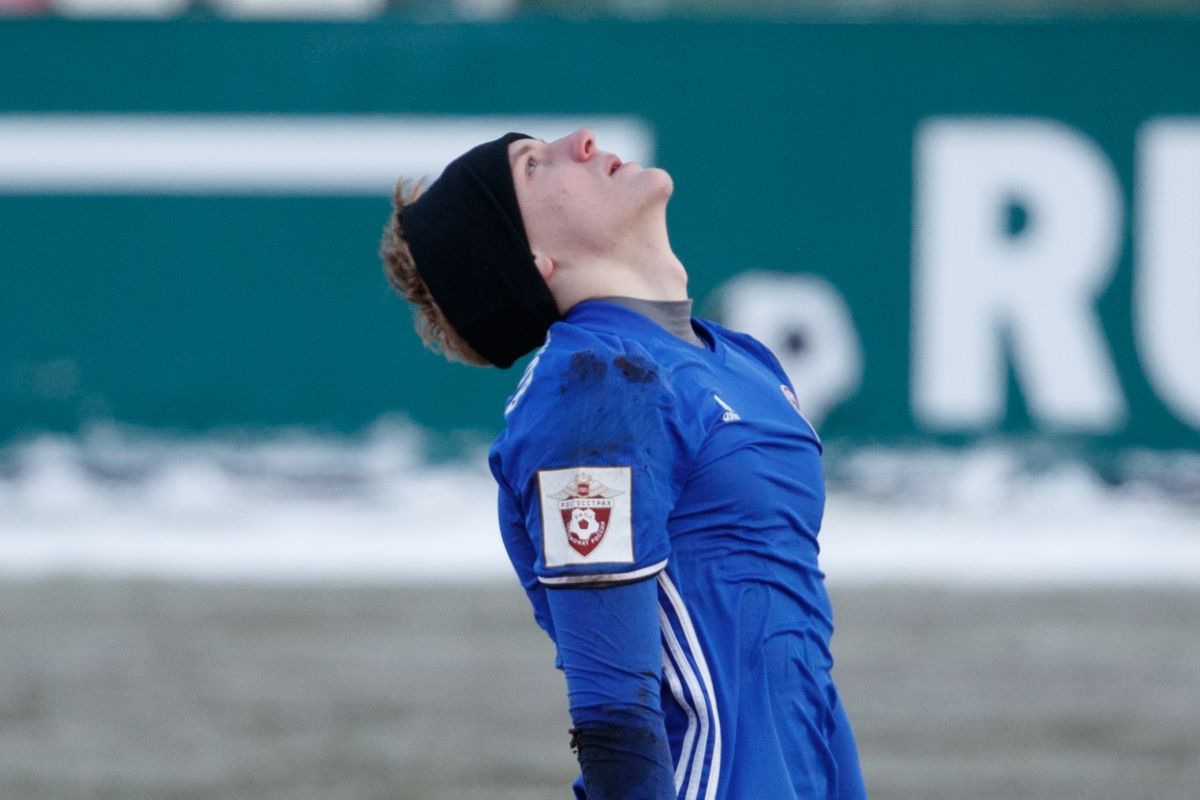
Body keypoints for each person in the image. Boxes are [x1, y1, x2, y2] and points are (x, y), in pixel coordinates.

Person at [380, 129, 868, 800]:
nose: (580, 140)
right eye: (533, 165)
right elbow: (616, 717)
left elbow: (804, 672)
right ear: (532, 259)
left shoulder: (745, 363)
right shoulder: (593, 384)